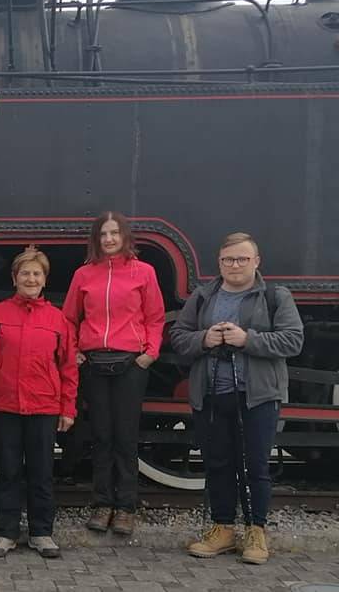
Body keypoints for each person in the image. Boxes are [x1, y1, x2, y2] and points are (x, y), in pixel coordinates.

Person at [170, 232, 303, 565]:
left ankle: (256, 530)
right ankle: (223, 528)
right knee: (217, 464)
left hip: (257, 394)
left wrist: (248, 339)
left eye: (242, 259)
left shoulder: (275, 296)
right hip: (213, 393)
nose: (235, 265)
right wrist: (205, 338)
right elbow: (178, 338)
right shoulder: (203, 297)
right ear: (220, 262)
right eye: (228, 259)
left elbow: (293, 341)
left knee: (256, 465)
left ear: (256, 261)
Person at [62, 212, 165, 536]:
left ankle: (126, 507)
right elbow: (68, 318)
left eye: (114, 233)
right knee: (101, 435)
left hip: (130, 364)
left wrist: (150, 354)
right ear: (96, 239)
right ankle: (102, 503)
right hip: (94, 362)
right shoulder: (83, 275)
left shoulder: (144, 272)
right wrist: (75, 349)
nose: (108, 239)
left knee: (125, 436)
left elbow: (156, 317)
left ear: (124, 236)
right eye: (103, 234)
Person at [0, 247, 78, 559]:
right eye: (25, 273)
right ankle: (5, 532)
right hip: (5, 406)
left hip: (44, 407)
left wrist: (67, 408)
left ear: (44, 280)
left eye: (37, 273)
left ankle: (42, 532)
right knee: (7, 471)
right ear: (14, 278)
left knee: (42, 472)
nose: (31, 278)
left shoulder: (58, 320)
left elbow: (68, 368)